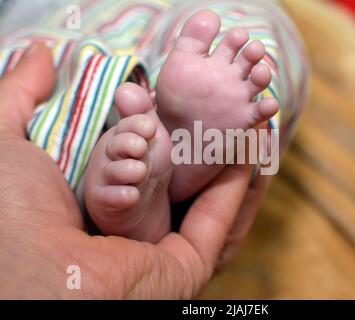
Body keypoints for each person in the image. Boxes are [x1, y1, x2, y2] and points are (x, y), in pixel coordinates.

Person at [0, 0, 307, 298]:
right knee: (249, 31)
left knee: (53, 59)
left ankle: (134, 162)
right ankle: (175, 161)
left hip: (63, 84)